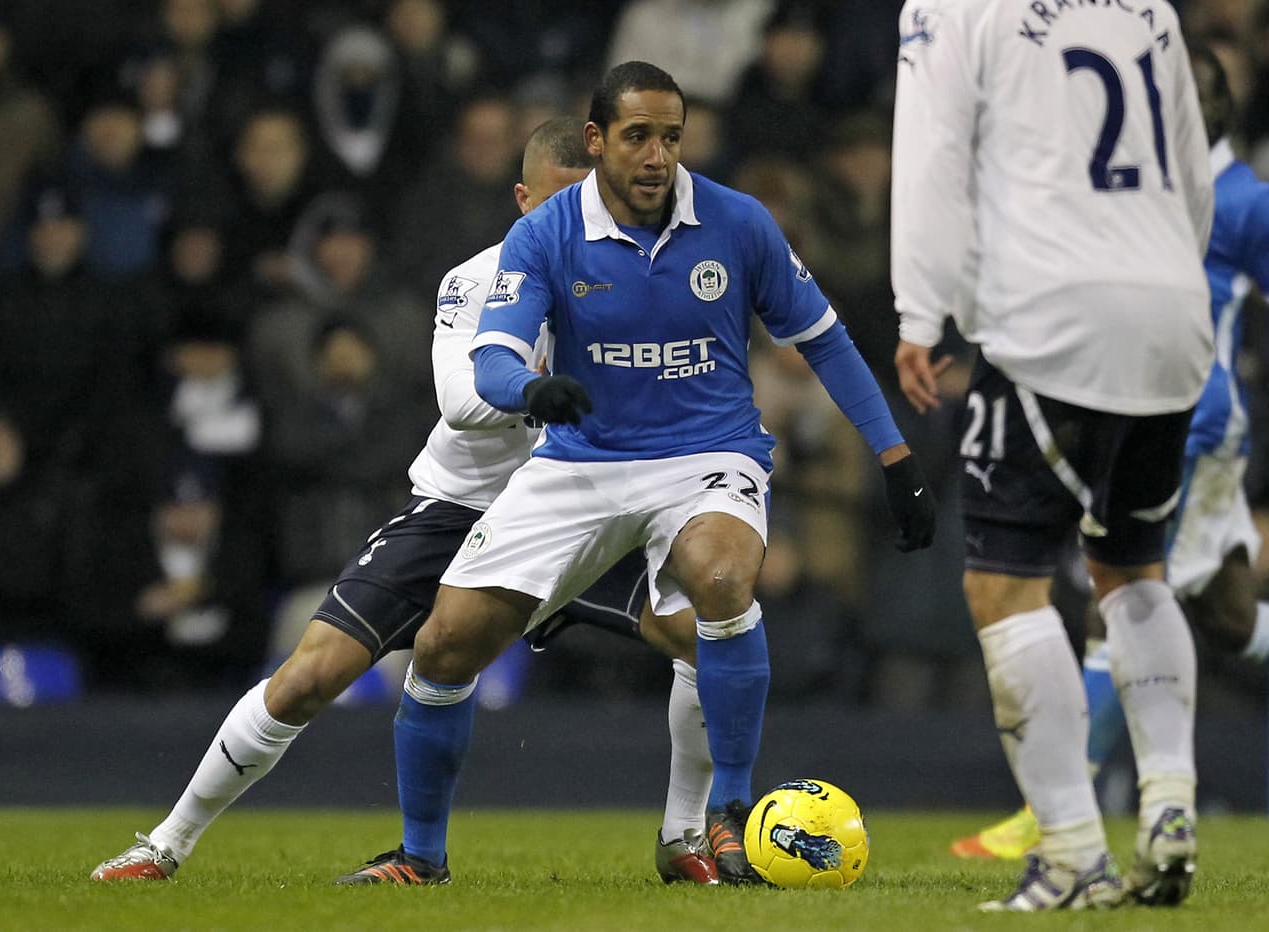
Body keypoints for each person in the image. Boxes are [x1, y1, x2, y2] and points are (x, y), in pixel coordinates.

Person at [334, 60, 935, 889]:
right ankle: (421, 856)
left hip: (707, 454)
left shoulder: (738, 222)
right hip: (582, 459)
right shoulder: (545, 234)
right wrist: (532, 388)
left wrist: (894, 457)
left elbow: (824, 338)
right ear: (597, 141)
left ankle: (726, 816)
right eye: (639, 137)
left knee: (723, 578)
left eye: (672, 137)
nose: (658, 156)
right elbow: (495, 355)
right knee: (443, 645)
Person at [90, 116, 718, 887]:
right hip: (466, 510)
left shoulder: (647, 283)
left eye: (591, 202)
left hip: (583, 511)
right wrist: (539, 393)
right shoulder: (476, 281)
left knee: (702, 631)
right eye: (559, 203)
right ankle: (166, 843)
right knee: (309, 675)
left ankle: (682, 838)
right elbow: (458, 400)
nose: (576, 222)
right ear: (524, 202)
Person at [891, 0, 1214, 912]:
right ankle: (1170, 801)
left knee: (1005, 581)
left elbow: (932, 157)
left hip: (1053, 313)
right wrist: (1162, 290)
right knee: (1132, 565)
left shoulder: (953, 8)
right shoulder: (1147, 5)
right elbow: (1191, 169)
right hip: (1169, 308)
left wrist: (922, 312)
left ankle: (1072, 855)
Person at [952, 40, 1269, 866]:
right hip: (1140, 403)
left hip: (1192, 421)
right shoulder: (1142, 194)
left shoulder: (1239, 202)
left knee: (1115, 588)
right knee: (1231, 620)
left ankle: (1057, 804)